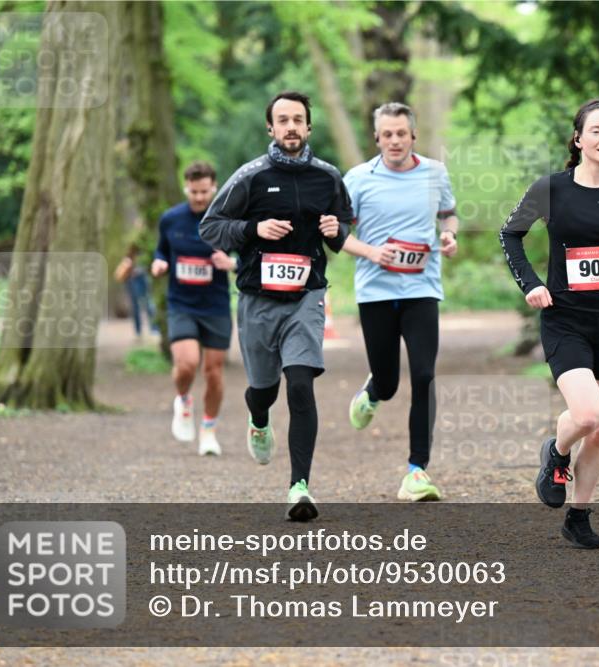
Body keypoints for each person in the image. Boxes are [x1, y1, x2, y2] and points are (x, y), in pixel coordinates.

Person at [498, 98, 599, 548]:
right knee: (588, 415)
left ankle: (579, 514)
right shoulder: (551, 189)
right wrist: (530, 283)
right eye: (597, 131)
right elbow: (509, 234)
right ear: (578, 138)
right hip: (565, 319)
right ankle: (556, 450)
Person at [200, 91, 353, 521]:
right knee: (264, 389)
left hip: (306, 297)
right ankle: (259, 417)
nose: (290, 127)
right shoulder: (250, 176)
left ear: (308, 127)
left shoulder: (328, 177)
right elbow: (211, 227)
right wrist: (254, 228)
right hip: (257, 301)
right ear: (270, 128)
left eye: (297, 120)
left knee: (301, 383)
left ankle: (299, 487)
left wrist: (334, 228)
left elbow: (342, 232)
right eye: (282, 120)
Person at [338, 102, 459, 502]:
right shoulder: (356, 179)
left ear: (413, 136)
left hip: (422, 289)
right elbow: (338, 235)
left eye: (401, 134)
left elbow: (449, 214)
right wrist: (372, 253)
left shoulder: (434, 173)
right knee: (389, 382)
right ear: (376, 138)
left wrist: (449, 236)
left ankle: (417, 471)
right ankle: (373, 392)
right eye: (387, 134)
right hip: (375, 291)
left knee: (424, 375)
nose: (394, 141)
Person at [150, 161, 236, 457]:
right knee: (186, 364)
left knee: (213, 372)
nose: (199, 197)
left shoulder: (225, 221)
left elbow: (244, 256)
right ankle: (183, 399)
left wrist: (232, 263)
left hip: (216, 306)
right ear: (186, 187)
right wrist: (159, 262)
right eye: (194, 191)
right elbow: (161, 249)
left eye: (205, 191)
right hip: (181, 304)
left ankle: (208, 430)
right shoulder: (171, 219)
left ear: (214, 187)